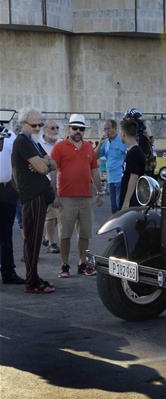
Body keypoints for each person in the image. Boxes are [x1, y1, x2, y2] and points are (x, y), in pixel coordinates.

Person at [10, 109, 56, 293]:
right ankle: (32, 281)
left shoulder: (33, 142)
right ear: (23, 124)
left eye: (39, 124)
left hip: (38, 195)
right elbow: (43, 167)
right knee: (33, 239)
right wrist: (41, 164)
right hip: (32, 196)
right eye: (34, 125)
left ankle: (34, 277)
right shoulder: (22, 141)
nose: (38, 128)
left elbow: (52, 163)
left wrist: (42, 164)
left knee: (35, 239)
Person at [51, 113, 102, 278]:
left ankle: (83, 264)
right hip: (65, 198)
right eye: (75, 128)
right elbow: (52, 171)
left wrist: (100, 192)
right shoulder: (59, 147)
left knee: (85, 234)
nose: (78, 131)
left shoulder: (88, 147)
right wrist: (54, 195)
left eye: (81, 129)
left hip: (86, 198)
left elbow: (94, 171)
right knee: (65, 234)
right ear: (69, 128)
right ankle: (64, 265)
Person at [0, 118, 26, 285]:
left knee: (5, 234)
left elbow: (18, 161)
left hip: (7, 189)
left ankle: (8, 272)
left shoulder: (10, 136)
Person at [97, 119, 128, 213]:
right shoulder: (105, 143)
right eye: (105, 129)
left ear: (115, 128)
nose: (106, 131)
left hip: (120, 178)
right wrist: (100, 143)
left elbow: (129, 156)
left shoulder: (122, 141)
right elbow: (94, 156)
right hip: (110, 179)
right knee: (114, 208)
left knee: (120, 207)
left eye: (108, 129)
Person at [39, 120, 61, 254]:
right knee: (50, 214)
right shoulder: (38, 144)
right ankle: (52, 243)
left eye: (57, 127)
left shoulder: (61, 143)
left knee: (57, 214)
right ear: (45, 129)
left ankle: (47, 237)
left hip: (61, 182)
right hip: (44, 183)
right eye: (52, 127)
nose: (55, 130)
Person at [119, 117, 146, 209]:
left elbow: (134, 177)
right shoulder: (131, 151)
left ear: (123, 134)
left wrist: (126, 202)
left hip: (132, 201)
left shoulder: (135, 153)